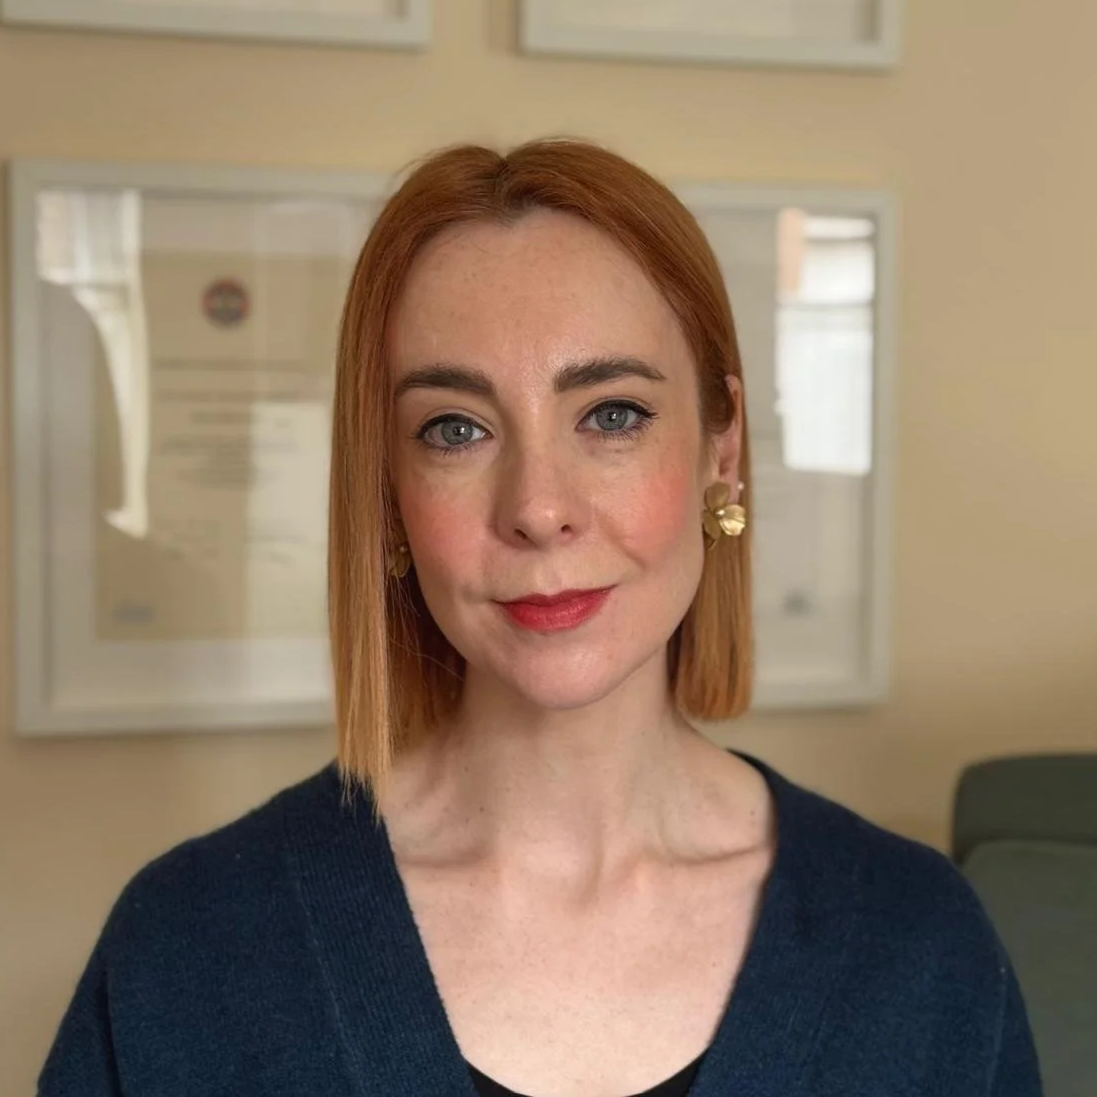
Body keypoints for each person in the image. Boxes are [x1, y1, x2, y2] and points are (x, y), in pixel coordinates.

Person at [39, 139, 1042, 1097]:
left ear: (721, 451)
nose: (535, 504)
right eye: (455, 428)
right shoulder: (188, 948)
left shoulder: (920, 948)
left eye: (610, 413)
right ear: (386, 493)